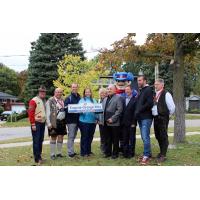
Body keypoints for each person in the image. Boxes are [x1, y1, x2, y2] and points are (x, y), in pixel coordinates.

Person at [152, 78, 175, 162]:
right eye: (155, 84)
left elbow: (172, 107)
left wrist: (166, 115)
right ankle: (161, 152)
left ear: (162, 85)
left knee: (163, 136)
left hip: (162, 118)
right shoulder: (155, 94)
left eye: (157, 84)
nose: (155, 86)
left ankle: (163, 155)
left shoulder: (166, 94)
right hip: (156, 118)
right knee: (157, 135)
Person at [135, 75, 154, 165]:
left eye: (140, 80)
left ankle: (146, 155)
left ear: (145, 81)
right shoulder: (141, 91)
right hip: (141, 117)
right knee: (144, 136)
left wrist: (139, 109)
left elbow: (150, 103)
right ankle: (148, 153)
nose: (138, 82)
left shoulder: (148, 90)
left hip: (146, 117)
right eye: (138, 80)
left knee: (145, 136)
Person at [101, 84, 123, 159]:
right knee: (108, 139)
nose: (109, 90)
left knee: (115, 139)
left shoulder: (118, 97)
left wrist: (112, 119)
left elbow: (119, 110)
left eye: (110, 89)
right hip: (105, 122)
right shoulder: (105, 99)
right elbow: (102, 110)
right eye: (108, 89)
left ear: (114, 90)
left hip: (114, 123)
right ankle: (108, 153)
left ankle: (115, 154)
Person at [46, 88, 67, 160]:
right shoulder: (50, 100)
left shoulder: (63, 100)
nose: (59, 93)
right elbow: (47, 112)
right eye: (57, 92)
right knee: (53, 137)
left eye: (60, 92)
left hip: (62, 121)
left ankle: (59, 153)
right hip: (53, 122)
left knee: (61, 137)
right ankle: (52, 154)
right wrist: (48, 123)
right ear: (54, 92)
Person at [28, 85, 47, 165]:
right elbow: (30, 112)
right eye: (41, 91)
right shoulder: (33, 100)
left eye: (44, 92)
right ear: (39, 92)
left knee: (40, 140)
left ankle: (39, 156)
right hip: (36, 123)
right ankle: (37, 159)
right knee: (36, 141)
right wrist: (33, 123)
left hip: (42, 123)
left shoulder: (44, 100)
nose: (43, 93)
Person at [78, 88, 98, 157]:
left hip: (92, 122)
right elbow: (78, 110)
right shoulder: (81, 100)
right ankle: (83, 152)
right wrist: (81, 111)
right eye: (86, 92)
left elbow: (97, 110)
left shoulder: (94, 100)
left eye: (89, 92)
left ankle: (88, 151)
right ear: (84, 93)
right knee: (84, 137)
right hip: (84, 121)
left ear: (90, 93)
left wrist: (96, 114)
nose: (87, 93)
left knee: (90, 137)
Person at [64, 83, 81, 158]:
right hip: (71, 121)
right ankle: (70, 152)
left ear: (77, 88)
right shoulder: (68, 98)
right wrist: (74, 109)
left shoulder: (80, 97)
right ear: (71, 88)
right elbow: (66, 109)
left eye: (76, 87)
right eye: (73, 87)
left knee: (74, 136)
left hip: (78, 120)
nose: (74, 88)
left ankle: (72, 151)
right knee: (71, 136)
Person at [121, 85, 137, 158]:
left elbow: (135, 112)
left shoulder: (135, 100)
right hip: (124, 123)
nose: (126, 91)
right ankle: (125, 153)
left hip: (131, 123)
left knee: (132, 139)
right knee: (125, 138)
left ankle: (131, 153)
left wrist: (134, 122)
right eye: (125, 90)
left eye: (128, 89)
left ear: (131, 90)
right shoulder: (123, 99)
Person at [97, 88, 107, 154]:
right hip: (100, 121)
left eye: (103, 93)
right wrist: (97, 119)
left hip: (106, 121)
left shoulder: (107, 100)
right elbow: (97, 111)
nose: (102, 94)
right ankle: (103, 149)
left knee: (107, 136)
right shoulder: (98, 100)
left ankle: (106, 149)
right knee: (102, 136)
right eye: (101, 93)